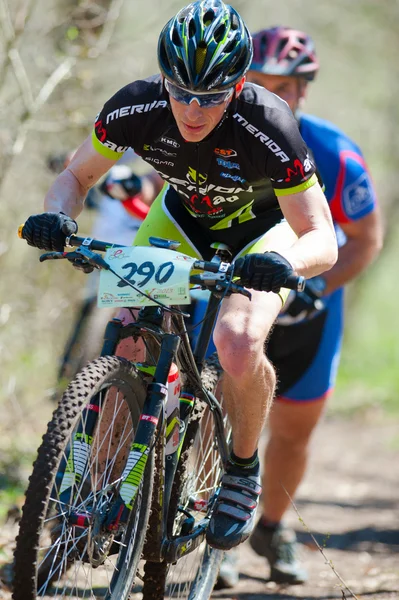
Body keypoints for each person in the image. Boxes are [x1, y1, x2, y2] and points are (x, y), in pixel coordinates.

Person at [20, 0, 337, 553]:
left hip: (265, 236)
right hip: (182, 221)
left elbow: (322, 236)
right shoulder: (135, 106)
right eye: (181, 90)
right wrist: (60, 216)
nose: (193, 109)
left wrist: (286, 266)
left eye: (211, 96)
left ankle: (240, 467)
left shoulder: (268, 125)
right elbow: (75, 175)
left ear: (238, 85)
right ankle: (99, 499)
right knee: (132, 342)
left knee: (236, 340)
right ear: (162, 77)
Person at [215, 26, 382, 587]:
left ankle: (273, 524)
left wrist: (319, 287)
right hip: (231, 299)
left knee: (291, 433)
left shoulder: (335, 152)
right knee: (216, 412)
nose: (265, 96)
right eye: (254, 84)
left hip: (308, 313)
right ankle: (220, 529)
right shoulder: (214, 134)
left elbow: (366, 239)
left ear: (303, 90)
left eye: (279, 86)